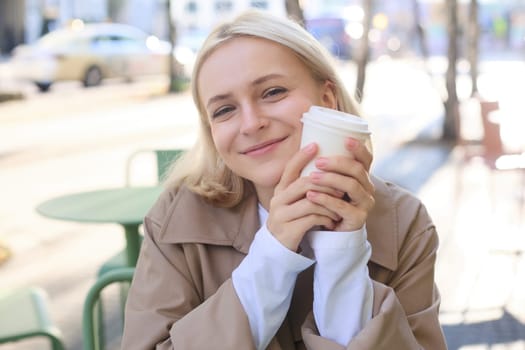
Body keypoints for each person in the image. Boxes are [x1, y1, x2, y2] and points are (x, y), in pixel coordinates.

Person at [122, 9, 447, 350]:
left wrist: (342, 256)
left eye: (273, 92)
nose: (250, 123)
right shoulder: (177, 218)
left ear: (326, 99)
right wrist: (272, 253)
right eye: (224, 110)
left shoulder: (404, 222)